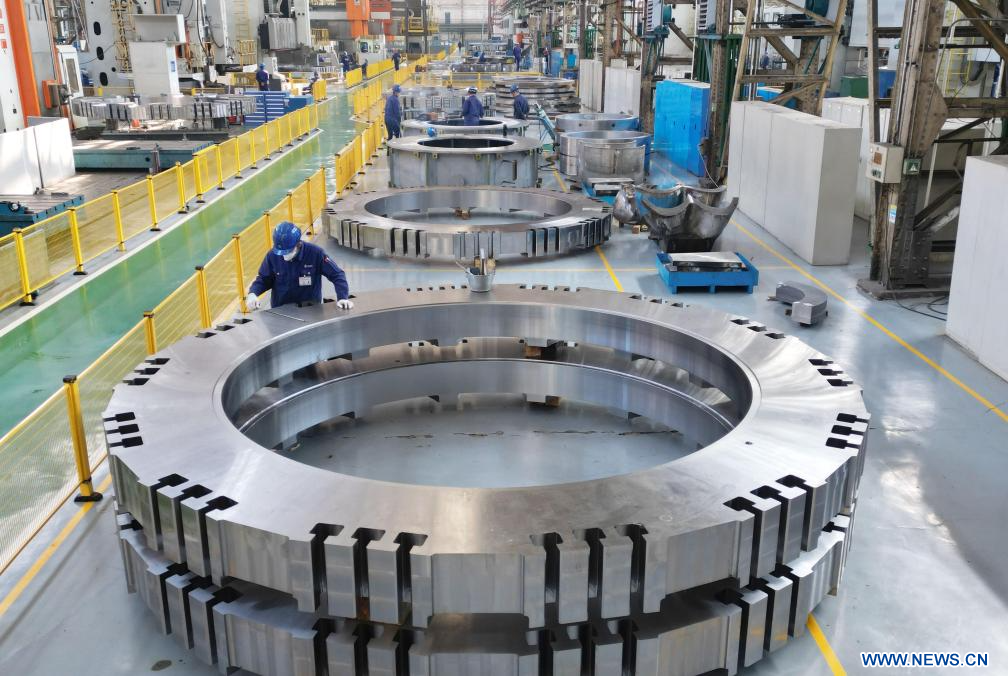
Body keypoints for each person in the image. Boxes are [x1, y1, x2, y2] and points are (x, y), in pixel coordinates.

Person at [246, 221, 352, 311]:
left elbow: (337, 275)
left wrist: (342, 297)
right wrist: (253, 293)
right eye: (281, 252)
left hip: (310, 310)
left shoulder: (315, 253)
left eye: (288, 251)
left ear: (298, 244)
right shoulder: (272, 256)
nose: (284, 256)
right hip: (281, 311)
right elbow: (264, 279)